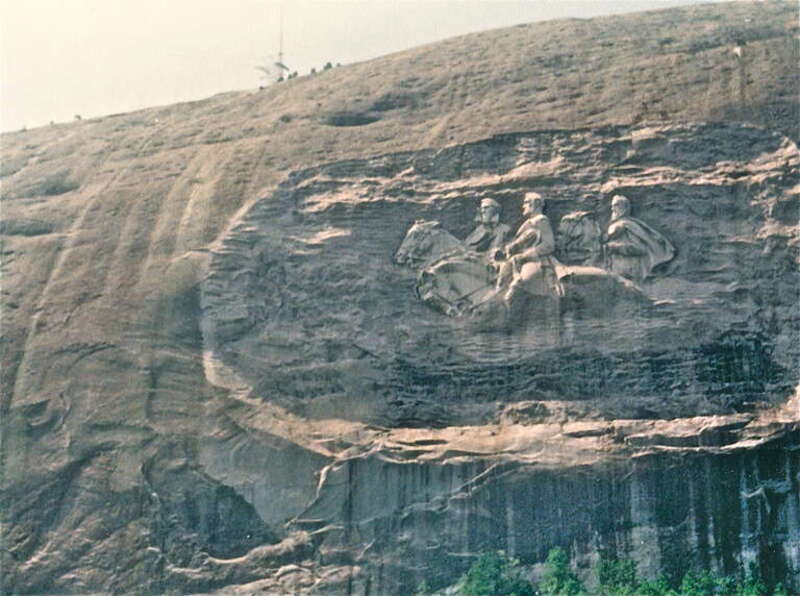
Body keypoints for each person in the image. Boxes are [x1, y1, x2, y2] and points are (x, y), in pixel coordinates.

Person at [495, 192, 561, 299]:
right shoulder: (527, 223)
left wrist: (526, 255)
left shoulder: (541, 220)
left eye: (526, 203)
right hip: (517, 260)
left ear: (535, 204)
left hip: (536, 260)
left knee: (522, 283)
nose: (523, 206)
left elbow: (549, 244)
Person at [603, 195, 675, 283]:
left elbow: (640, 249)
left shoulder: (628, 225)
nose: (612, 209)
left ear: (623, 207)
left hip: (629, 269)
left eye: (616, 205)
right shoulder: (617, 224)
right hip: (614, 267)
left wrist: (615, 247)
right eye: (612, 206)